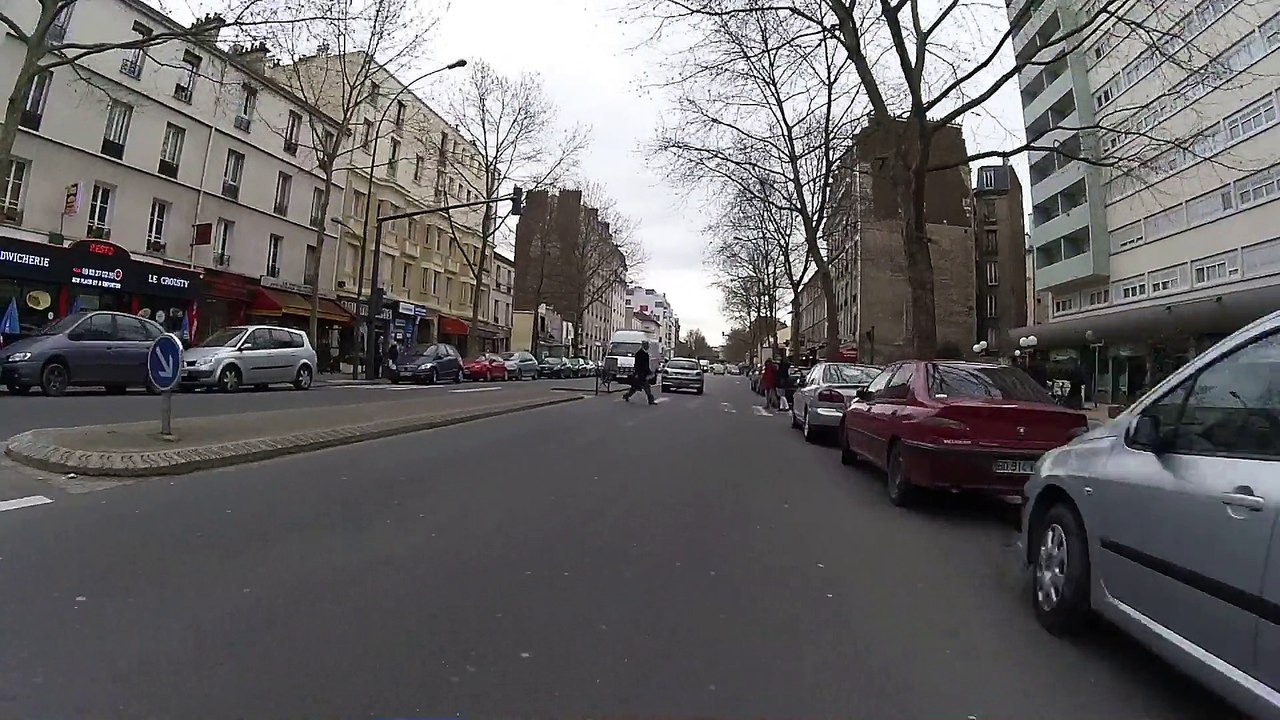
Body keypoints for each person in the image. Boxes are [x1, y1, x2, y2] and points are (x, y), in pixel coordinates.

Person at [623, 340, 656, 404]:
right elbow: (637, 364)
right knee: (646, 387)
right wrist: (637, 373)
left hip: (643, 374)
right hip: (640, 374)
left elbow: (646, 365)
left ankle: (627, 395)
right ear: (644, 346)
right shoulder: (639, 354)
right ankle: (650, 400)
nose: (648, 347)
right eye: (647, 345)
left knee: (635, 388)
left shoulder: (645, 354)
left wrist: (649, 372)